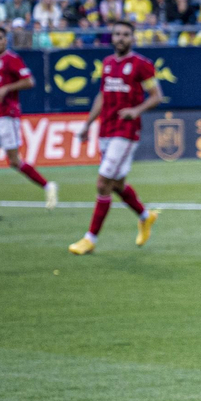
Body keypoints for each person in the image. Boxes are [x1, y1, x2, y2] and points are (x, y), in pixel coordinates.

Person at [69, 21, 160, 256]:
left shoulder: (142, 65)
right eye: (117, 34)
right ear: (112, 37)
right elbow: (102, 94)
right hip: (106, 129)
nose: (121, 38)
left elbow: (156, 96)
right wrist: (88, 124)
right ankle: (145, 216)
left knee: (102, 183)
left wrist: (135, 111)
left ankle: (90, 239)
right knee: (117, 184)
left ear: (133, 38)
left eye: (125, 35)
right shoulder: (108, 64)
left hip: (126, 131)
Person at [0, 25, 57, 209]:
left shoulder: (11, 59)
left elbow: (29, 81)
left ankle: (48, 185)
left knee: (13, 161)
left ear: (6, 40)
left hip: (7, 116)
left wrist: (7, 88)